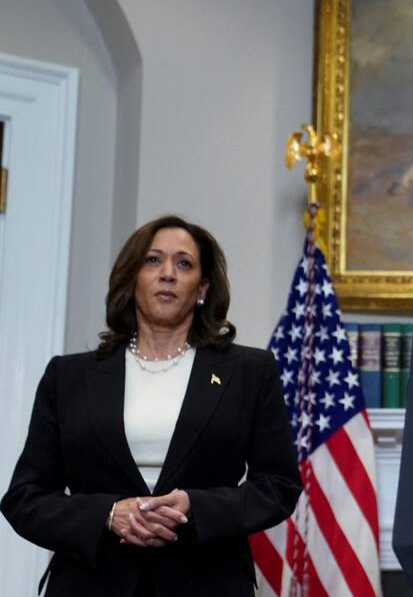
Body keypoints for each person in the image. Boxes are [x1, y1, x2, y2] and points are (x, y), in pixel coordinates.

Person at [2, 216, 302, 597]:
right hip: (91, 583)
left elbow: (278, 486)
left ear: (202, 289)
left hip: (206, 581)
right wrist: (108, 515)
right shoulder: (68, 376)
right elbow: (25, 498)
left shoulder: (249, 372)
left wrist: (196, 506)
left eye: (184, 263)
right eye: (153, 261)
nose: (168, 274)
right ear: (132, 280)